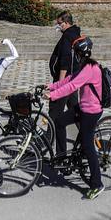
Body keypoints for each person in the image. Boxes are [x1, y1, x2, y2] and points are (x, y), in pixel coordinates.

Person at [45, 35, 105, 200]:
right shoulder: (85, 65)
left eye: (76, 53)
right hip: (83, 107)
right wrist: (51, 86)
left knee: (88, 147)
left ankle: (97, 184)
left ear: (80, 53)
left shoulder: (91, 68)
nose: (75, 56)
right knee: (59, 121)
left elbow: (72, 86)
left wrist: (53, 95)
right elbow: (70, 79)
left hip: (91, 112)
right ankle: (63, 158)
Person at [47, 10, 81, 157]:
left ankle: (48, 145)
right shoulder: (75, 33)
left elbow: (65, 62)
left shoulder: (67, 37)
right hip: (72, 81)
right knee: (76, 112)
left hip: (65, 81)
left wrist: (59, 85)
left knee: (54, 114)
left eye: (59, 23)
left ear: (66, 23)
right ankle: (89, 136)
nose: (58, 26)